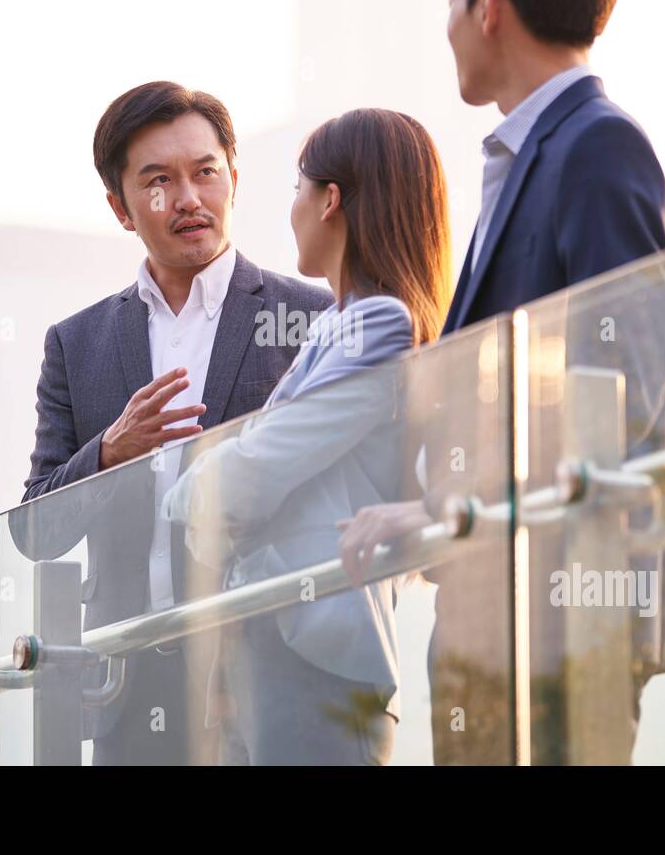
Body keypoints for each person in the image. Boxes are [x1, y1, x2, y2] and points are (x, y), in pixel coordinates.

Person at [339, 0, 665, 764]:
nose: (448, 26)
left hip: (566, 609)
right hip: (496, 599)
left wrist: (442, 505)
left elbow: (624, 396)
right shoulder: (526, 158)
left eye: (451, 1)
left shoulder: (599, 148)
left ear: (488, 6)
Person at [12, 81, 333, 765]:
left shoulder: (310, 317)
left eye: (205, 173)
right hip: (127, 687)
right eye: (158, 181)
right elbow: (34, 529)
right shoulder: (78, 344)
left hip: (269, 672)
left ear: (235, 180)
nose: (187, 198)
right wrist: (108, 452)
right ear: (120, 207)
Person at [161, 108, 452, 765]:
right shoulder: (338, 325)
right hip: (267, 639)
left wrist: (180, 496)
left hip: (316, 652)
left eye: (297, 187)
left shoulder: (381, 323)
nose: (289, 207)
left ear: (331, 201)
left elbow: (260, 467)